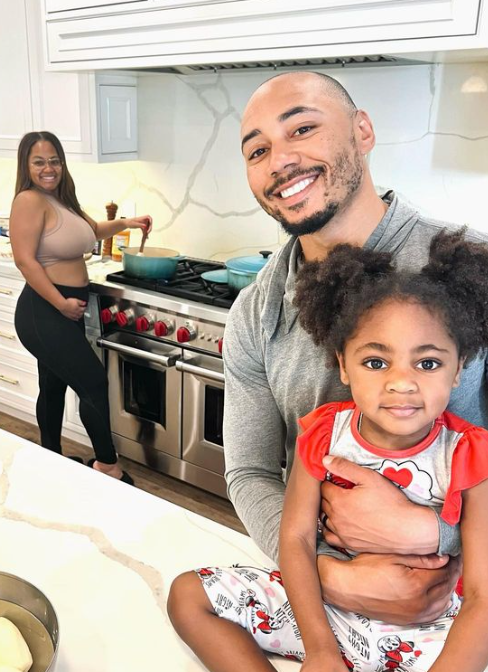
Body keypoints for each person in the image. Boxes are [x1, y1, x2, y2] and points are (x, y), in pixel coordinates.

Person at [221, 71, 488, 624]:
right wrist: (326, 573)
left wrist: (439, 533)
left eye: (303, 129)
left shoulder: (474, 273)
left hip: (461, 614)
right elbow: (249, 472)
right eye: (258, 150)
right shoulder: (256, 309)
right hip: (321, 607)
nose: (280, 161)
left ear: (362, 130)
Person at [167, 229, 488, 671]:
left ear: (458, 370)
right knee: (188, 595)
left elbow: (483, 598)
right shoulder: (321, 434)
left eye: (428, 362)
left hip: (422, 629)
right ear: (343, 364)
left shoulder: (471, 454)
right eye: (376, 362)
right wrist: (319, 649)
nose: (401, 382)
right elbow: (296, 539)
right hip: (319, 609)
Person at [11, 131, 152, 484]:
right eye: (39, 161)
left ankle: (49, 457)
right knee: (93, 382)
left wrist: (126, 223)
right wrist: (60, 303)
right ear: (26, 166)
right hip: (44, 309)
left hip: (64, 308)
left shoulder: (62, 199)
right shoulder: (29, 200)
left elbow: (91, 232)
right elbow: (25, 261)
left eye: (54, 160)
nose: (49, 168)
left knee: (54, 385)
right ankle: (107, 464)